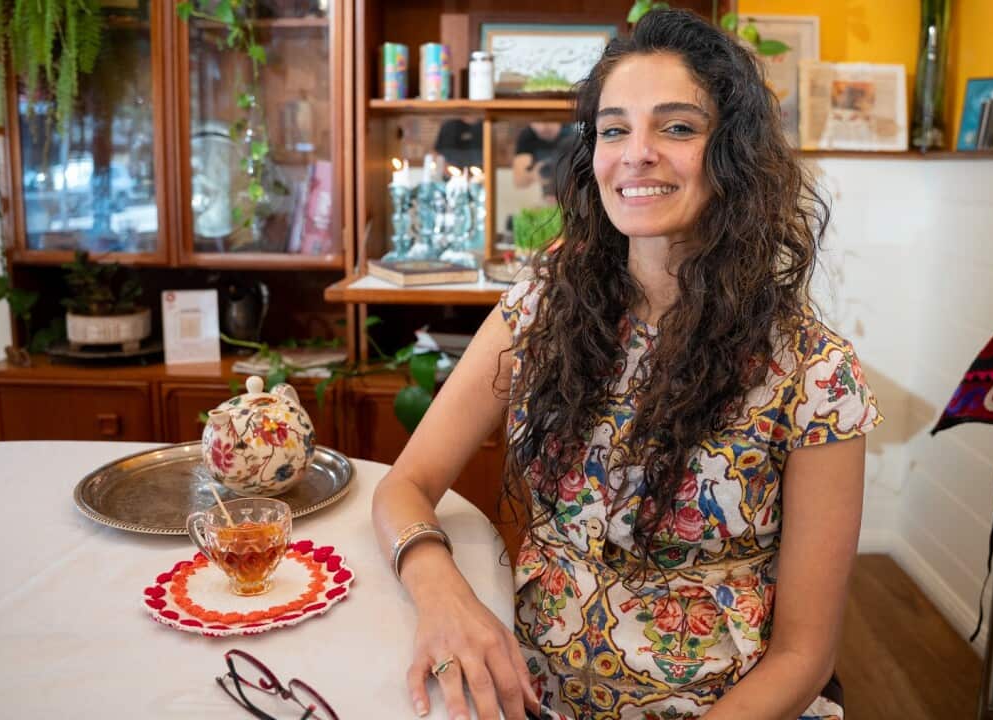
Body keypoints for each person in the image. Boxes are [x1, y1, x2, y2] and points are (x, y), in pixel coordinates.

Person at [371, 9, 882, 720]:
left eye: (676, 127)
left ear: (732, 153)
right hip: (523, 697)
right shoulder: (544, 304)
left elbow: (805, 656)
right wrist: (444, 593)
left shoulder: (817, 373)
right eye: (614, 129)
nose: (635, 153)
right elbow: (406, 484)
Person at [512, 121, 577, 200]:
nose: (543, 127)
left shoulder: (573, 132)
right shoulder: (527, 136)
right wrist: (534, 174)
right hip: (546, 198)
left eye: (548, 121)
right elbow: (519, 182)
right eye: (537, 121)